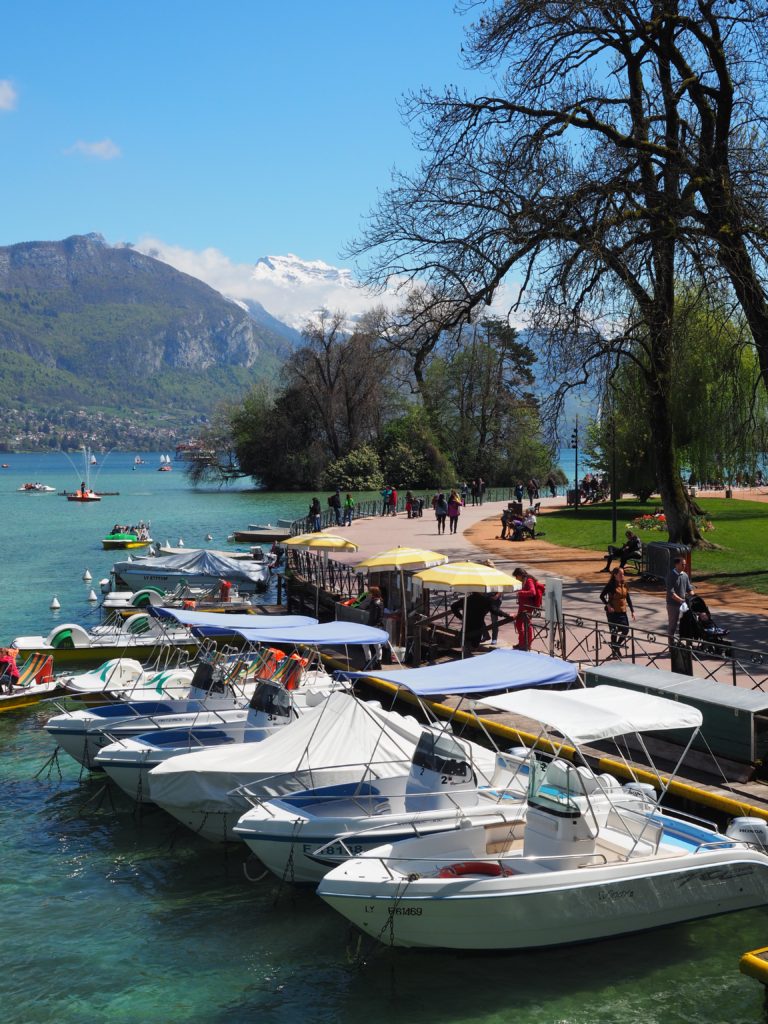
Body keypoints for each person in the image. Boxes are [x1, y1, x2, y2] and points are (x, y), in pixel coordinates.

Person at [600, 567, 635, 659]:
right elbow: (602, 596)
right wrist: (608, 605)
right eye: (620, 574)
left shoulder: (624, 584)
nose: (622, 576)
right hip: (612, 612)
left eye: (623, 574)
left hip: (622, 611)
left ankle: (616, 646)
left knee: (625, 630)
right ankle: (614, 651)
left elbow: (628, 598)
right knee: (614, 632)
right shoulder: (611, 585)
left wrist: (632, 611)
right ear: (615, 575)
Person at [666, 555, 694, 646]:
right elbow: (671, 593)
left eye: (685, 564)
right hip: (673, 605)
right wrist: (681, 600)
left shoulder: (685, 575)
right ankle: (671, 646)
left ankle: (688, 644)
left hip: (684, 604)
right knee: (673, 626)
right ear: (676, 564)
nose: (684, 566)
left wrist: (694, 597)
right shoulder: (670, 576)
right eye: (683, 564)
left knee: (687, 623)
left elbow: (689, 589)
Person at [512, 567, 538, 649]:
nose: (516, 578)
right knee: (519, 623)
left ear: (520, 575)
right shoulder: (524, 581)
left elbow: (532, 592)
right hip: (522, 606)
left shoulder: (529, 580)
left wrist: (520, 593)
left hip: (527, 607)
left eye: (516, 576)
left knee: (527, 625)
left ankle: (527, 644)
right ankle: (521, 643)